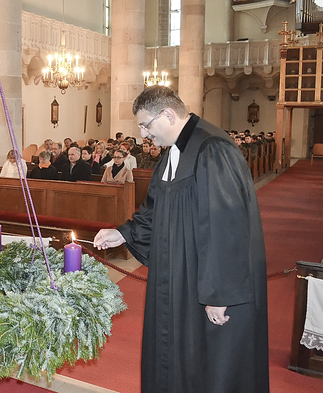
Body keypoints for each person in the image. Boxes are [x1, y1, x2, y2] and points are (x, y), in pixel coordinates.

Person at [94, 86, 269, 393]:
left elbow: (226, 227)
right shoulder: (173, 154)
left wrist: (219, 293)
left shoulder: (212, 148)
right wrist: (122, 233)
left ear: (168, 114)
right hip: (178, 282)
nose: (144, 134)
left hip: (207, 287)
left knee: (210, 368)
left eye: (146, 125)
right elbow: (154, 211)